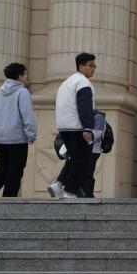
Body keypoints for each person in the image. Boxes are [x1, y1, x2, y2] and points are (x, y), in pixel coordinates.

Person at [0, 63, 36, 197]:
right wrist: (31, 134)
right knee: (16, 168)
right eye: (25, 74)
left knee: (3, 164)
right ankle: (9, 197)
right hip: (16, 138)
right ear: (19, 76)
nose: (26, 77)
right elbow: (27, 115)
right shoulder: (22, 92)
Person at [53, 53, 97, 199]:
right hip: (78, 128)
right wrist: (88, 128)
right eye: (90, 65)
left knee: (73, 158)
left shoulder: (66, 82)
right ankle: (70, 191)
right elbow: (85, 107)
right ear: (80, 66)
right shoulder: (83, 82)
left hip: (64, 127)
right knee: (82, 161)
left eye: (94, 66)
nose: (93, 69)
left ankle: (58, 184)